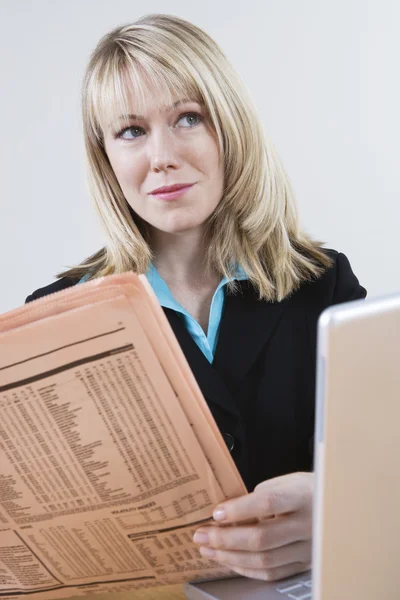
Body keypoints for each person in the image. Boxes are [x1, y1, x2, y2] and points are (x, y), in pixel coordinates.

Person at [26, 13, 366, 582]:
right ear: (105, 157)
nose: (162, 156)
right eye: (131, 131)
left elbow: (384, 458)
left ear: (229, 129)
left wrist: (338, 508)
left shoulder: (324, 285)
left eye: (188, 118)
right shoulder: (55, 318)